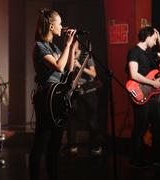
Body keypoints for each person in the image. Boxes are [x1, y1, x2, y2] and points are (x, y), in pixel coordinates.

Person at [29, 8, 77, 180]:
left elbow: (68, 69)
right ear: (51, 26)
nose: (62, 26)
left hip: (57, 97)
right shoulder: (40, 47)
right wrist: (67, 45)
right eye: (60, 23)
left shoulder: (54, 46)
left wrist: (71, 48)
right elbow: (58, 66)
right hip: (45, 98)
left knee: (55, 145)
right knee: (41, 143)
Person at [126, 26, 160, 168]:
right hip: (139, 92)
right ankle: (134, 159)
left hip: (151, 95)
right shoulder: (134, 52)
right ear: (148, 36)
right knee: (140, 127)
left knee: (159, 126)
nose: (156, 42)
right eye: (155, 39)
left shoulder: (150, 54)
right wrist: (152, 82)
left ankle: (156, 158)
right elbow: (133, 74)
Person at [66, 41, 103, 155]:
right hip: (74, 91)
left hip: (88, 91)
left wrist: (80, 66)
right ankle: (72, 146)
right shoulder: (67, 55)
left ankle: (95, 146)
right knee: (71, 119)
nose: (72, 44)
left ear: (77, 44)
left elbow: (94, 74)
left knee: (92, 120)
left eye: (74, 42)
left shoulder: (85, 55)